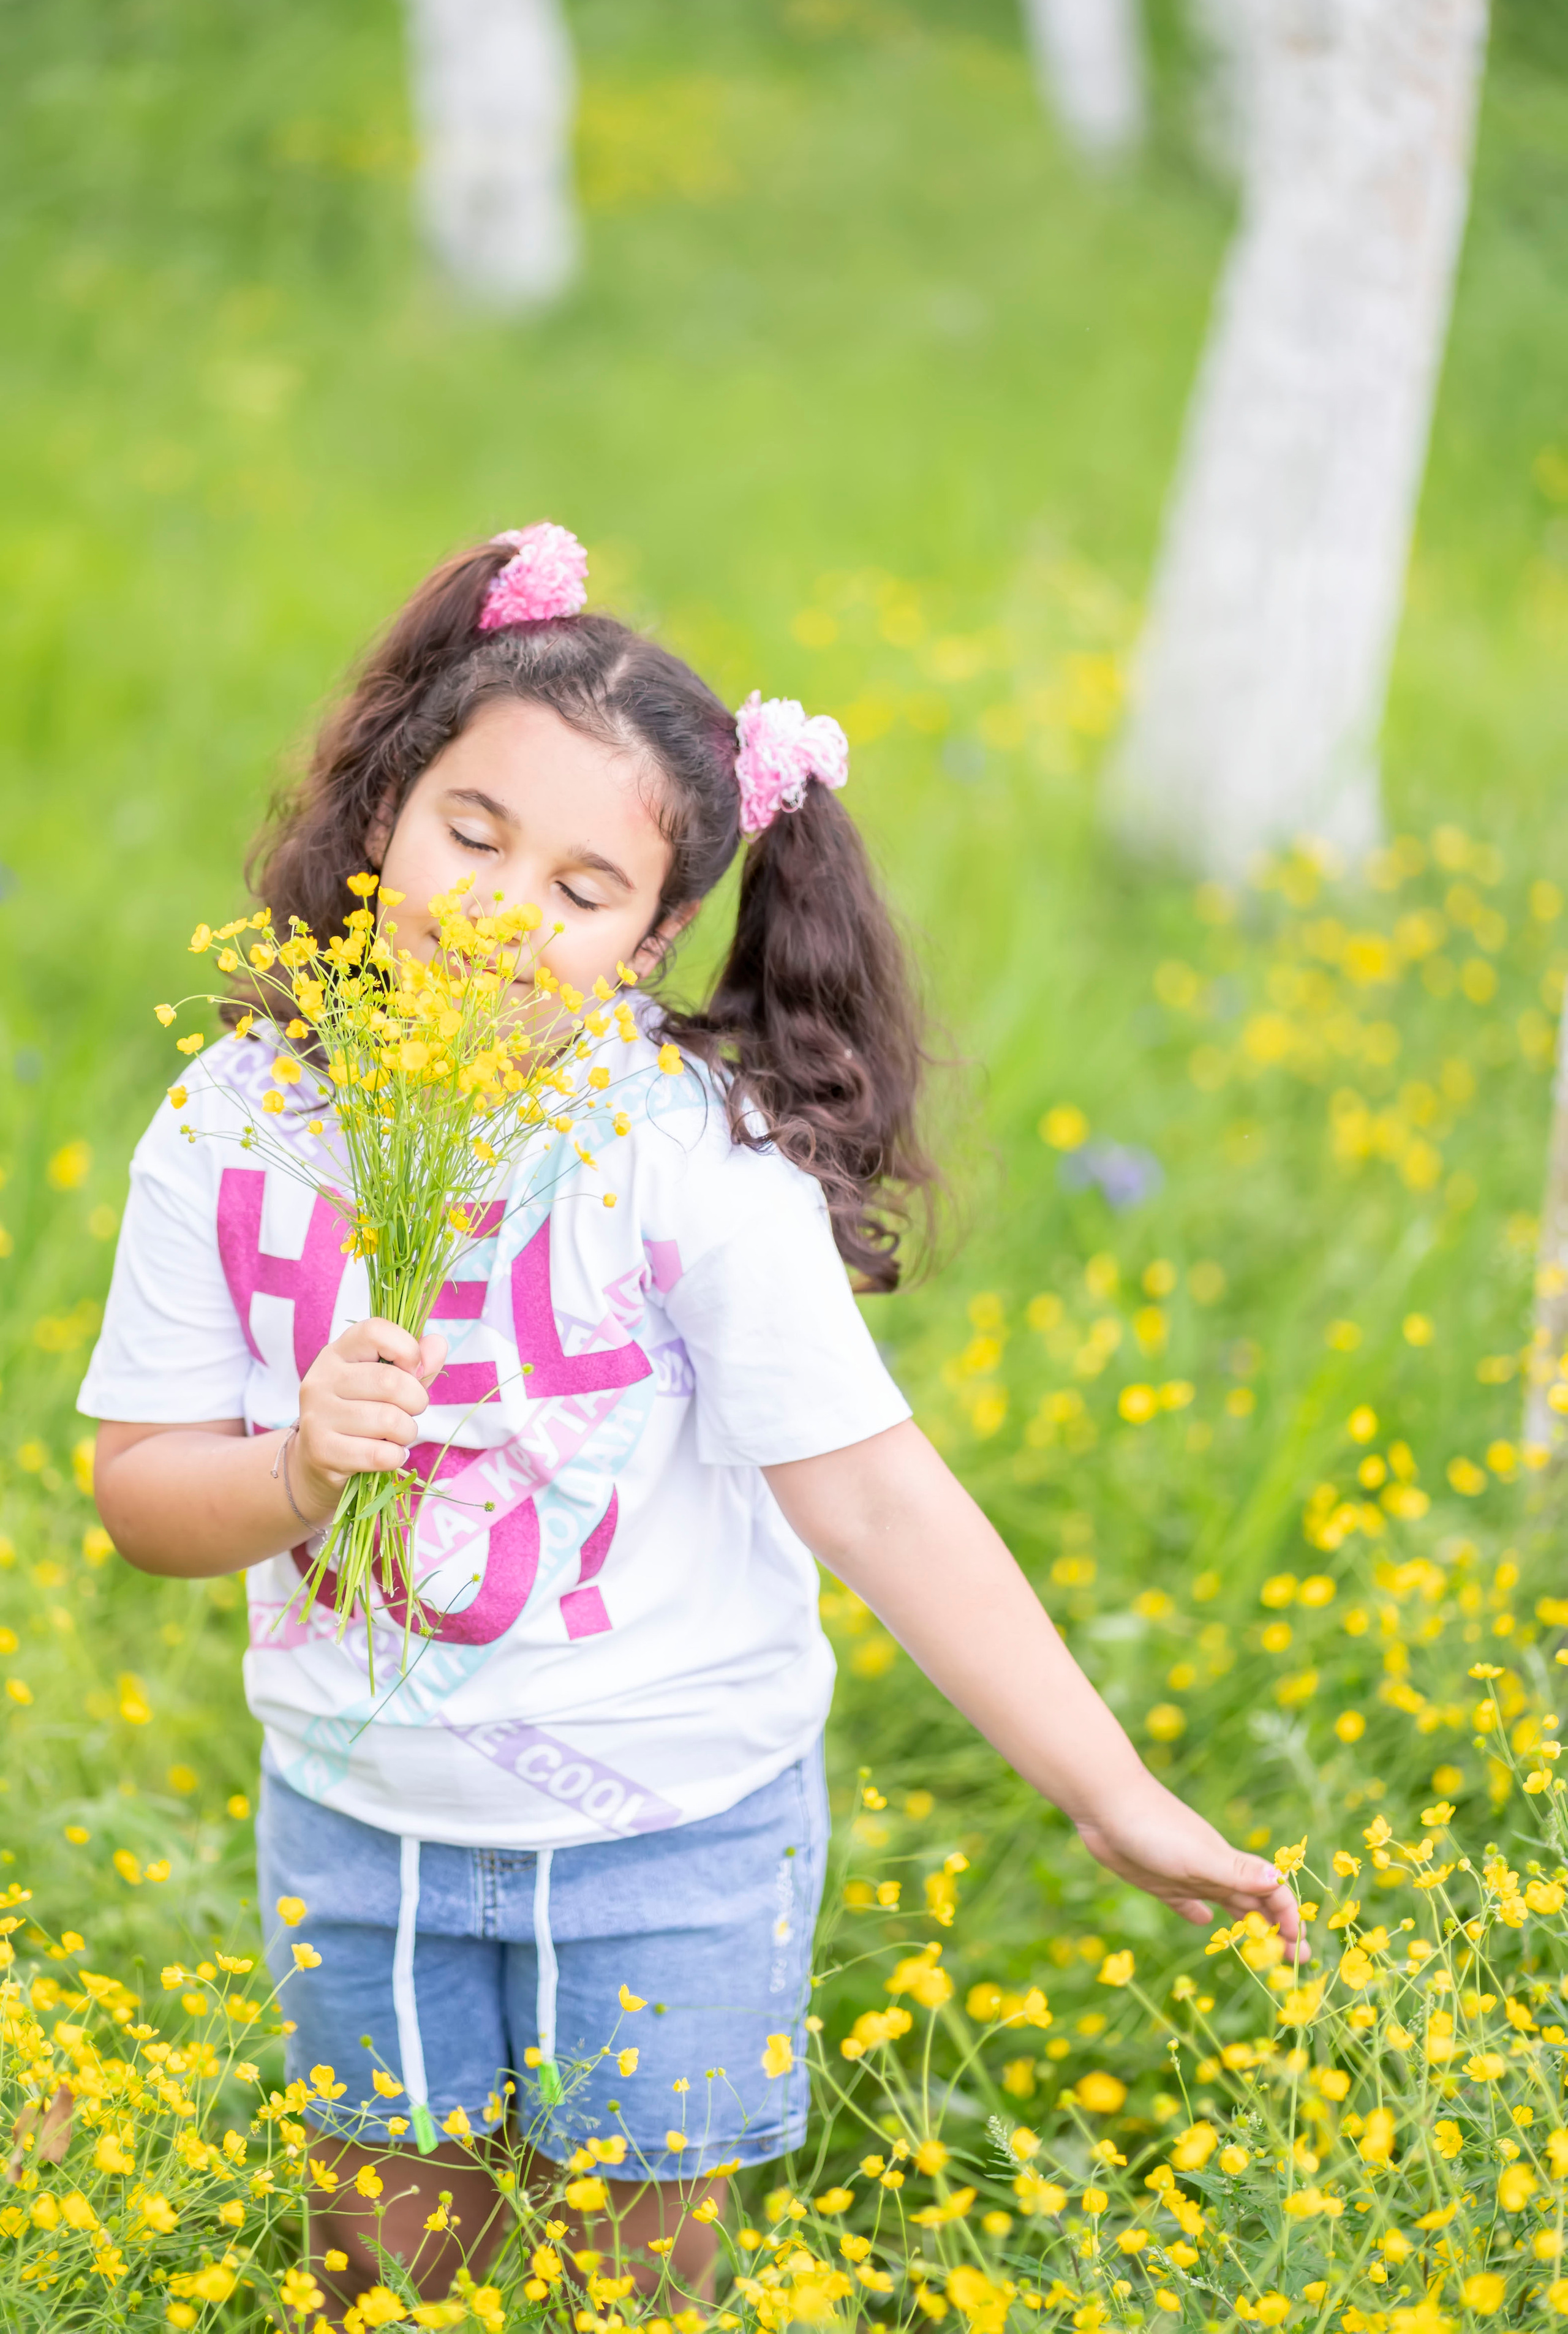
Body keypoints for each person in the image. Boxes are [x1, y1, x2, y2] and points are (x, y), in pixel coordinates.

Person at [81, 524, 1298, 2311]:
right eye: (468, 834)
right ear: (382, 816)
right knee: (387, 2270)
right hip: (358, 1828)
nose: (497, 909)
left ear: (652, 939)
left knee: (640, 2281)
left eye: (579, 891)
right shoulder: (234, 1119)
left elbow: (876, 1497)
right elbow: (139, 1491)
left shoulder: (688, 1161)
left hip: (668, 1833)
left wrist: (1110, 1795)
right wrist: (291, 1464)